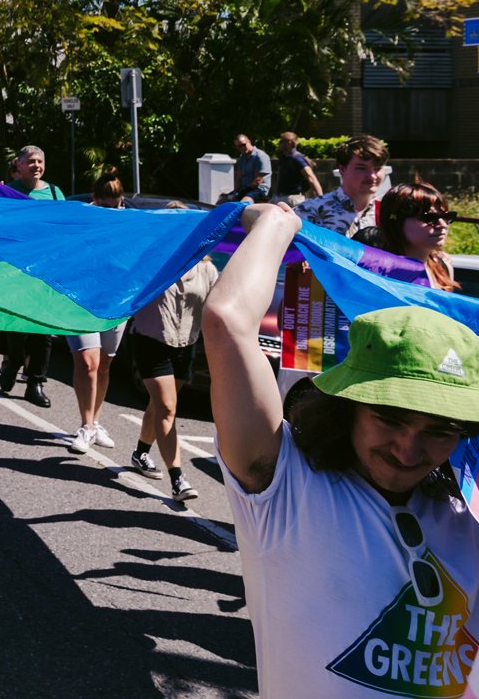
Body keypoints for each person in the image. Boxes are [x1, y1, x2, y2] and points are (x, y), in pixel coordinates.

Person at [205, 203, 479, 698]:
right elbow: (226, 322)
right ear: (348, 407)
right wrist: (278, 223)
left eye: (440, 430)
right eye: (390, 418)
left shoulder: (463, 515)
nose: (409, 447)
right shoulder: (282, 488)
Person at [125, 255, 220, 502]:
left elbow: (218, 303)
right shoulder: (157, 262)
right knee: (167, 408)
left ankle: (140, 453)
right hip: (151, 339)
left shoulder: (206, 268)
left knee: (159, 406)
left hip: (185, 344)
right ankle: (177, 478)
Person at [0, 145, 64, 407]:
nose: (36, 165)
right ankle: (13, 360)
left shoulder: (56, 194)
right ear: (19, 165)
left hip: (46, 270)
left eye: (40, 161)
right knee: (17, 325)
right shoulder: (9, 192)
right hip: (15, 268)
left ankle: (35, 382)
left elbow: (65, 227)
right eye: (31, 161)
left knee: (43, 329)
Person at [67, 168, 129, 453]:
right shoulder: (82, 218)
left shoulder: (130, 221)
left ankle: (96, 421)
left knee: (104, 364)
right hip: (82, 300)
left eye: (116, 203)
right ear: (95, 199)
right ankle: (86, 425)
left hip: (116, 301)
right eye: (106, 204)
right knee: (87, 362)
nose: (111, 209)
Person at [296, 134, 388, 240]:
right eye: (361, 168)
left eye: (377, 168)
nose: (372, 176)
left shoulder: (388, 212)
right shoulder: (309, 211)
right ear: (342, 169)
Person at [377, 178, 462, 292]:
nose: (443, 225)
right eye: (430, 218)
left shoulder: (442, 265)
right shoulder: (380, 274)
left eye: (446, 217)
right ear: (396, 222)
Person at [272, 131, 323, 205]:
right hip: (280, 197)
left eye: (281, 141)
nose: (279, 144)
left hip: (292, 199)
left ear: (289, 142)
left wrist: (321, 199)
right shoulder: (284, 158)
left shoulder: (296, 158)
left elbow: (311, 178)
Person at [221, 133, 273, 203]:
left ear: (249, 141)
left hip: (259, 190)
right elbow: (239, 178)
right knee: (222, 201)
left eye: (243, 144)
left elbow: (258, 180)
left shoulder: (260, 156)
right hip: (245, 189)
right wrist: (234, 193)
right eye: (239, 146)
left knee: (243, 203)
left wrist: (241, 193)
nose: (242, 148)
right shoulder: (242, 159)